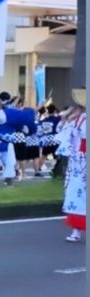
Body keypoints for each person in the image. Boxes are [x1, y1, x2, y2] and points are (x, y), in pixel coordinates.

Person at [57, 96, 86, 242]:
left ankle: (76, 231)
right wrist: (66, 118)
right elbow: (60, 133)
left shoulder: (83, 121)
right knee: (75, 195)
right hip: (76, 162)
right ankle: (76, 230)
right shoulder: (76, 120)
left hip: (83, 160)